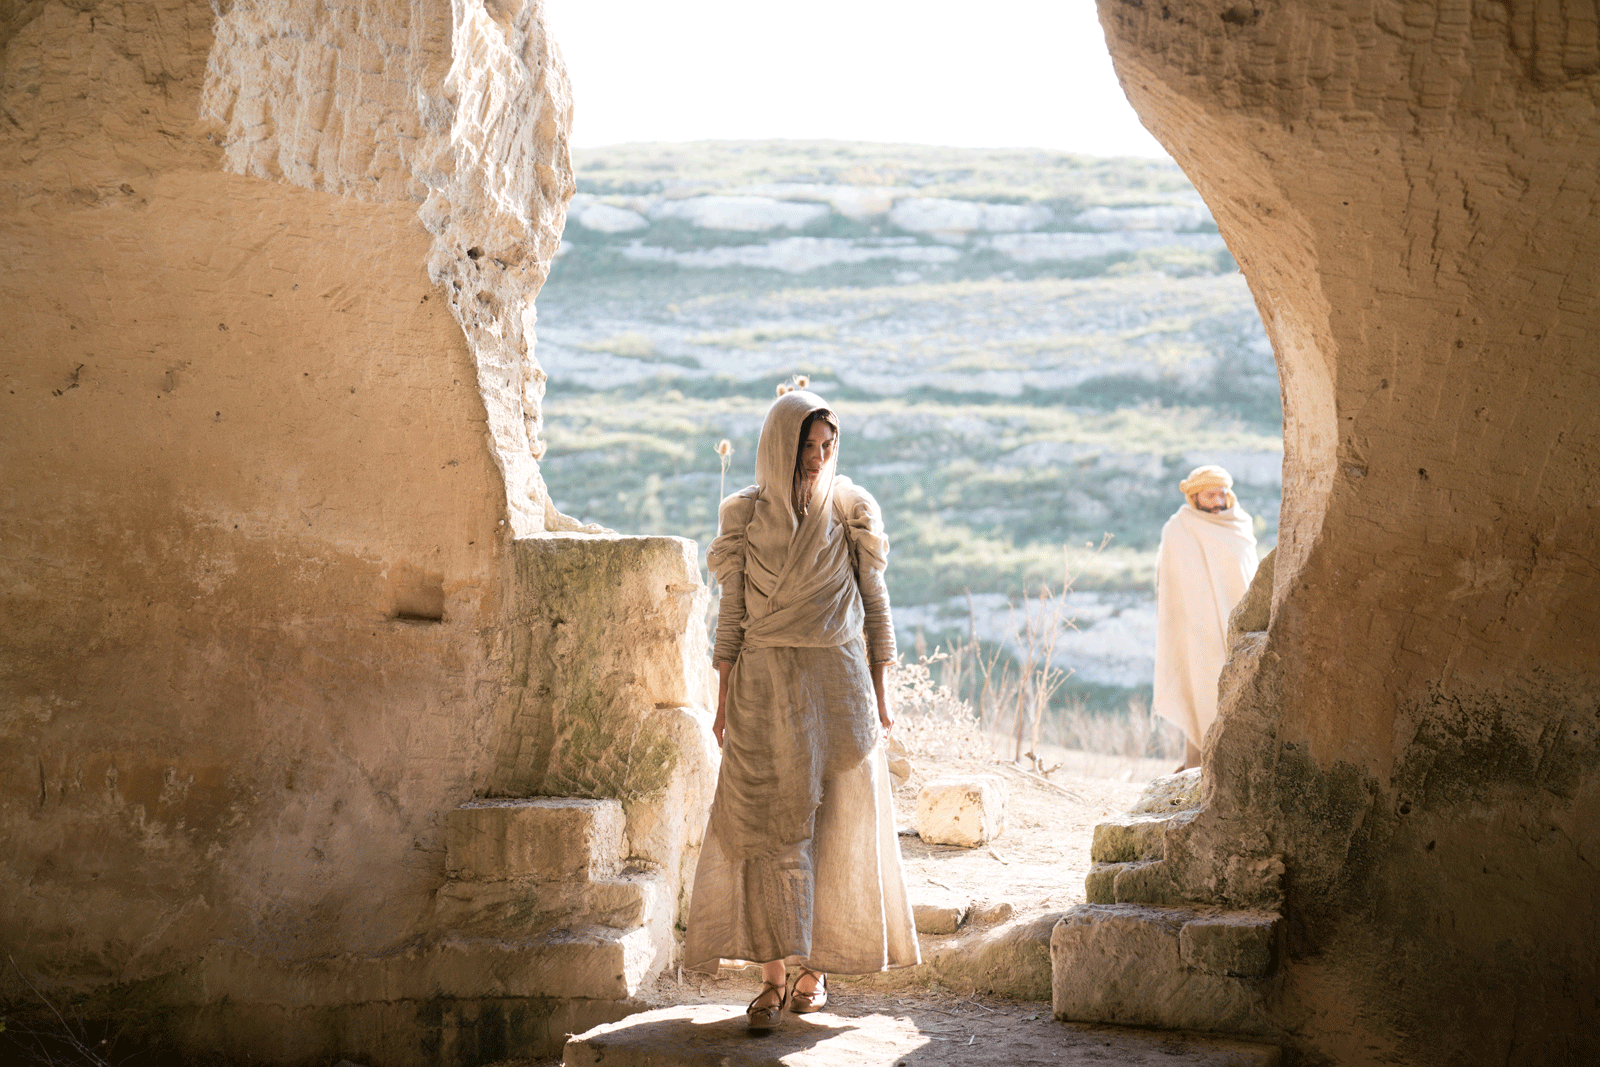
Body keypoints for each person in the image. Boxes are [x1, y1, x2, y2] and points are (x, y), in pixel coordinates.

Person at [683, 379, 920, 1032]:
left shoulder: (851, 509)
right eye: (805, 446)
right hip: (763, 684)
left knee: (837, 821)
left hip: (838, 685)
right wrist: (723, 699)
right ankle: (770, 975)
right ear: (778, 446)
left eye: (825, 444)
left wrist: (882, 693)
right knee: (763, 827)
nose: (817, 457)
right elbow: (732, 613)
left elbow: (876, 605)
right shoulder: (744, 514)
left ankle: (816, 969)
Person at [1152, 464, 1259, 771]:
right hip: (1198, 633)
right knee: (1203, 695)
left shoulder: (1240, 525)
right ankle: (1199, 769)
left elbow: (1247, 577)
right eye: (1211, 495)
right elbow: (1175, 589)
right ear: (1195, 497)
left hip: (1241, 632)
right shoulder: (1179, 529)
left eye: (1223, 493)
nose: (1218, 501)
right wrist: (1197, 624)